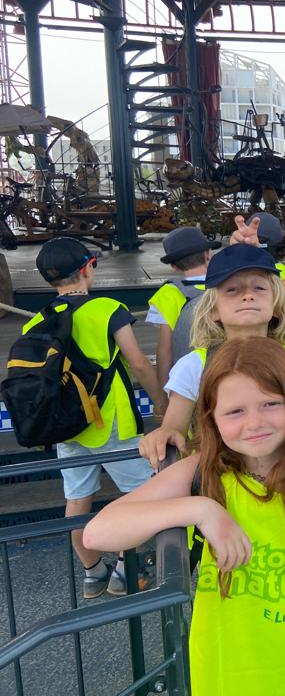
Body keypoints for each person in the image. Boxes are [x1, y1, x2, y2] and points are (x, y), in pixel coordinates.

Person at [83, 338, 285, 695]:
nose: (254, 422)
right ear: (211, 417)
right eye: (235, 411)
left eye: (271, 403)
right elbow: (98, 532)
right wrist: (200, 508)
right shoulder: (204, 475)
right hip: (227, 673)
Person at [28, 237, 166, 598]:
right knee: (138, 494)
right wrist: (161, 403)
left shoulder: (39, 321)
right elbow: (139, 363)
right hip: (112, 421)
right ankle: (124, 568)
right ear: (88, 268)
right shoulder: (108, 309)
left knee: (77, 501)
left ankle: (92, 572)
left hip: (67, 427)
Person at [138, 244, 285, 468]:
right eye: (232, 290)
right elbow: (174, 428)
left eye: (259, 288)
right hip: (216, 476)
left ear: (275, 306)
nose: (248, 296)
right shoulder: (194, 365)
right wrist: (162, 435)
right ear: (213, 310)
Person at [146, 226, 220, 387]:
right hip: (225, 375)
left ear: (174, 266)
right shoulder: (225, 286)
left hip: (188, 383)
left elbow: (165, 348)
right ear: (208, 254)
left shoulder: (168, 294)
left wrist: (164, 389)